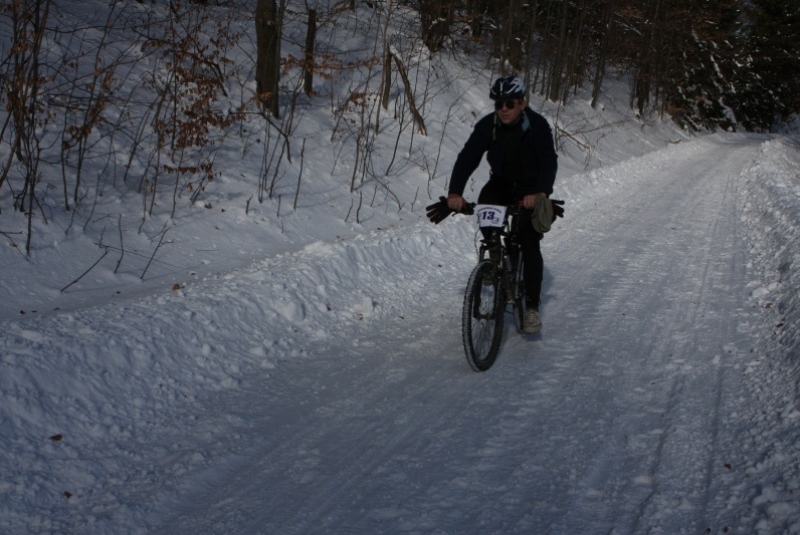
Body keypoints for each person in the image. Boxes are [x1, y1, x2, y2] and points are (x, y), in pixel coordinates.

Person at [447, 75, 558, 334]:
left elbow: (548, 161)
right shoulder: (489, 125)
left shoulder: (537, 126)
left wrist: (541, 191)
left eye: (509, 103)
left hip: (531, 189)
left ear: (522, 103)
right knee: (486, 206)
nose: (504, 109)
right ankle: (495, 255)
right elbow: (467, 158)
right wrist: (455, 193)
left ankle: (530, 308)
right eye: (499, 104)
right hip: (501, 184)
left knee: (529, 241)